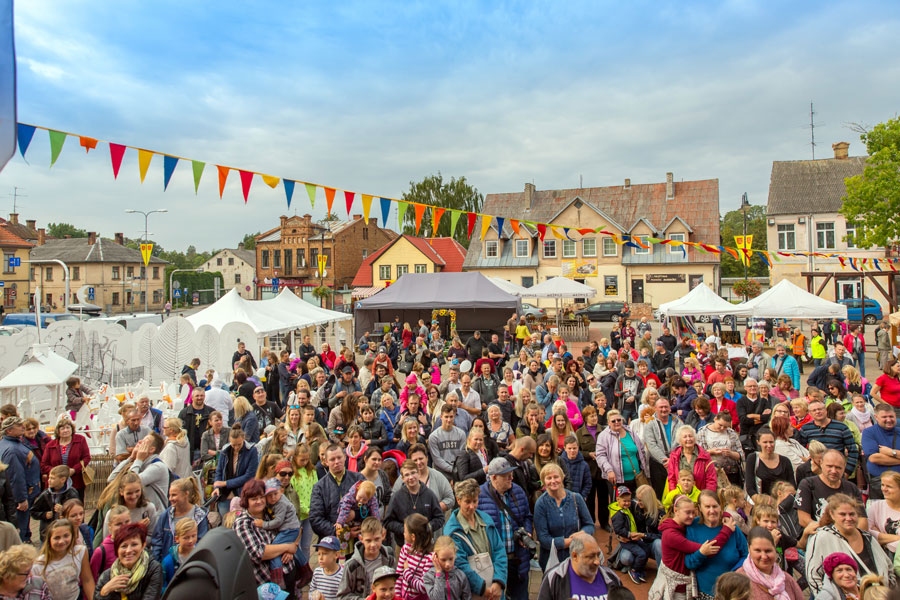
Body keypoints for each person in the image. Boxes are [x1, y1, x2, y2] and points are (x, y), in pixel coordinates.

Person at [805, 494, 894, 594]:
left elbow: (889, 569)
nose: (848, 518)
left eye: (852, 514)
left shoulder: (868, 537)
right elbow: (813, 575)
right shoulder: (822, 537)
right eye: (842, 514)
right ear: (832, 514)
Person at [653, 495, 735, 600]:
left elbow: (713, 511)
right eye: (688, 512)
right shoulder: (671, 534)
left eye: (693, 512)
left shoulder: (683, 525)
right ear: (676, 510)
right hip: (677, 589)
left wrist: (725, 515)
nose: (692, 516)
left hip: (684, 583)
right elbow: (709, 549)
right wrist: (726, 530)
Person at [475, 457, 532, 600]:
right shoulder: (480, 496)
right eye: (506, 475)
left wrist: (527, 531)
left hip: (518, 559)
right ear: (494, 477)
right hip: (494, 562)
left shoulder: (517, 491)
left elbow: (527, 516)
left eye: (511, 474)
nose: (511, 477)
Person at [443, 479, 508, 600]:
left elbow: (499, 551)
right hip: (471, 592)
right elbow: (460, 564)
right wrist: (482, 588)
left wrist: (499, 582)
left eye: (475, 501)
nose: (472, 506)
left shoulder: (486, 519)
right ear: (458, 500)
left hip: (494, 587)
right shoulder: (452, 532)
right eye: (467, 502)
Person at [233, 479, 302, 591]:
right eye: (254, 499)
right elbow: (258, 553)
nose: (259, 501)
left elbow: (296, 527)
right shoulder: (243, 523)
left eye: (261, 497)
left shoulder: (271, 512)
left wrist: (293, 546)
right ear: (246, 501)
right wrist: (288, 547)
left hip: (288, 570)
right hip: (267, 581)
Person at [686, 490, 749, 600]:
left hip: (733, 592)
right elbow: (689, 563)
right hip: (705, 592)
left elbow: (746, 555)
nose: (712, 511)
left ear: (721, 507)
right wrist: (701, 553)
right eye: (707, 507)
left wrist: (734, 572)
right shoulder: (692, 528)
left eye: (715, 506)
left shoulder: (731, 526)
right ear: (700, 508)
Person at [533, 462, 594, 569]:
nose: (553, 481)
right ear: (543, 482)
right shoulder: (541, 504)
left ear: (562, 477)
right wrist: (569, 542)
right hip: (552, 561)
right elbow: (543, 539)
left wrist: (582, 533)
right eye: (549, 478)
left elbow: (590, 525)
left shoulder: (576, 498)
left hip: (577, 557)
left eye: (556, 477)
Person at [537, 532, 622, 600]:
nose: (597, 562)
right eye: (591, 556)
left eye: (598, 555)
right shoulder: (554, 578)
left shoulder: (611, 577)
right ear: (575, 556)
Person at [309, 444, 365, 540]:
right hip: (332, 543)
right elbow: (315, 519)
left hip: (358, 539)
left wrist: (355, 514)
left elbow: (370, 505)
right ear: (326, 462)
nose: (337, 462)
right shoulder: (319, 487)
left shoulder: (358, 479)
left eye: (339, 457)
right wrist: (342, 532)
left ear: (345, 457)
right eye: (332, 459)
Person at [383, 460, 444, 547]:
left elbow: (440, 518)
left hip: (426, 545)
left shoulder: (429, 494)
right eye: (407, 475)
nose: (411, 477)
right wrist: (405, 529)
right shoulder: (397, 497)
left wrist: (427, 527)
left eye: (413, 473)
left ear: (419, 473)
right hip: (403, 546)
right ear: (402, 478)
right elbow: (388, 522)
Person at [95, 522, 163, 600]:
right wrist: (105, 591)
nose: (128, 551)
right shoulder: (107, 576)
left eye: (134, 545)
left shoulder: (153, 569)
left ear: (143, 545)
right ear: (117, 549)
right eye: (124, 546)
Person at [32, 518, 94, 600]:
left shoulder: (80, 552)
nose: (61, 541)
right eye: (57, 538)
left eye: (66, 536)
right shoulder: (38, 564)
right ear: (49, 540)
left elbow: (87, 580)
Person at [735, 526, 804, 600]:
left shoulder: (787, 580)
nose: (764, 556)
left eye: (768, 551)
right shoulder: (738, 580)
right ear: (749, 548)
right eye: (758, 550)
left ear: (775, 549)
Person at [149, 477, 209, 562]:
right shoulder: (165, 516)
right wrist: (158, 565)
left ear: (186, 494)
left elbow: (202, 542)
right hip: (169, 565)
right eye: (169, 495)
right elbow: (157, 542)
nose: (170, 499)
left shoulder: (200, 516)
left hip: (191, 563)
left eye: (174, 495)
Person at [337, 517, 394, 600]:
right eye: (368, 540)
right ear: (361, 539)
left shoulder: (389, 557)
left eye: (377, 539)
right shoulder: (351, 565)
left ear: (383, 535)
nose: (373, 544)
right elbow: (341, 596)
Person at [800, 398, 859, 478]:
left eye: (820, 409)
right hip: (815, 474)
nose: (818, 412)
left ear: (826, 410)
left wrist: (847, 472)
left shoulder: (841, 427)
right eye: (814, 410)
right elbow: (801, 450)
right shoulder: (805, 429)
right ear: (810, 413)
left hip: (837, 471)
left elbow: (853, 450)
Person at [595, 409, 648, 495]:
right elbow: (600, 456)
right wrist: (609, 470)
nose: (617, 422)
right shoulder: (603, 436)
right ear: (608, 423)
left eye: (619, 420)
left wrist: (643, 466)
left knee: (637, 504)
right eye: (613, 421)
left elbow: (641, 449)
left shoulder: (630, 432)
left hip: (636, 477)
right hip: (617, 479)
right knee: (620, 505)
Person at [210, 424, 260, 516]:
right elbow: (219, 471)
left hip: (242, 494)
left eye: (239, 444)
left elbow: (249, 476)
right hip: (225, 495)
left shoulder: (252, 451)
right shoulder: (224, 451)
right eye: (233, 445)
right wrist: (217, 487)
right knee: (225, 523)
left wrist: (226, 483)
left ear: (244, 439)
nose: (236, 447)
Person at [40, 417, 91, 501]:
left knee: (76, 503)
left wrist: (74, 470)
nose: (65, 430)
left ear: (72, 429)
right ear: (58, 431)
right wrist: (58, 473)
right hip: (56, 483)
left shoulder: (80, 440)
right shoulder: (50, 445)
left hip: (76, 480)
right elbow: (44, 464)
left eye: (68, 427)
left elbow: (86, 458)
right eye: (62, 428)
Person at [642, 397, 683, 498]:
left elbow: (681, 441)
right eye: (661, 407)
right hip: (658, 464)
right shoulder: (650, 423)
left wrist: (673, 459)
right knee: (659, 494)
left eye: (666, 407)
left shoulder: (677, 421)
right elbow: (651, 445)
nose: (664, 409)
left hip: (676, 462)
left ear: (670, 408)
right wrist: (665, 461)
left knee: (676, 492)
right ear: (655, 408)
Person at [31, 465, 79, 540]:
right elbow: (33, 511)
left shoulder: (72, 494)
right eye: (49, 477)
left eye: (52, 478)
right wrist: (44, 515)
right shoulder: (46, 494)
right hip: (47, 534)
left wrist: (63, 510)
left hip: (66, 532)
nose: (49, 480)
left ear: (62, 480)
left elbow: (77, 513)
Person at [697, 411, 744, 485]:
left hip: (731, 472)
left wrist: (730, 453)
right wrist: (711, 451)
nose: (722, 428)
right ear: (715, 419)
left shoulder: (732, 433)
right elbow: (698, 453)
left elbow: (740, 455)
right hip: (711, 471)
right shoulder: (702, 432)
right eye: (720, 425)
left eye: (725, 427)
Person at [745, 428, 795, 496]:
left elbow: (792, 486)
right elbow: (750, 488)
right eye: (765, 442)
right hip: (761, 502)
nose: (769, 445)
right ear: (758, 442)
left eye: (771, 442)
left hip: (782, 501)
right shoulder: (752, 459)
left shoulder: (785, 461)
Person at [666, 425, 717, 492]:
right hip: (680, 496)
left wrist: (707, 496)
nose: (688, 439)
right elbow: (672, 479)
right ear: (680, 440)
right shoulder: (674, 456)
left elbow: (711, 479)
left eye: (690, 436)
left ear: (695, 438)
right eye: (685, 437)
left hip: (701, 495)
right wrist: (675, 496)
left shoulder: (705, 456)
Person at [395, 513, 433, 600]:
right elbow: (398, 576)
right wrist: (397, 597)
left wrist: (407, 572)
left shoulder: (429, 558)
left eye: (405, 531)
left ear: (413, 536)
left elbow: (423, 587)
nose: (403, 533)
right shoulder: (405, 549)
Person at [428, 405, 467, 481]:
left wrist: (457, 469)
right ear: (441, 417)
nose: (449, 420)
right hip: (440, 474)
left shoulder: (461, 434)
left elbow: (462, 455)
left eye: (451, 417)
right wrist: (452, 469)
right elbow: (437, 459)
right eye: (446, 417)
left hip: (458, 472)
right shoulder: (434, 436)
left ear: (454, 416)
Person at [160, 518, 197, 592]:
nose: (191, 540)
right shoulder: (168, 562)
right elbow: (162, 587)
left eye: (193, 536)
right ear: (177, 539)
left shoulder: (201, 554)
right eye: (186, 538)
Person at [177, 387, 212, 462]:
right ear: (192, 397)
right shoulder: (184, 413)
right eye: (197, 396)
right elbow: (178, 432)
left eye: (201, 395)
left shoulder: (211, 412)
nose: (199, 398)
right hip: (189, 450)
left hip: (207, 450)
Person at [310, 536, 344, 600]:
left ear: (336, 555)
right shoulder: (317, 572)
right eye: (319, 554)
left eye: (325, 554)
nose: (321, 558)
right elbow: (311, 591)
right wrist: (314, 596)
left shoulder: (343, 575)